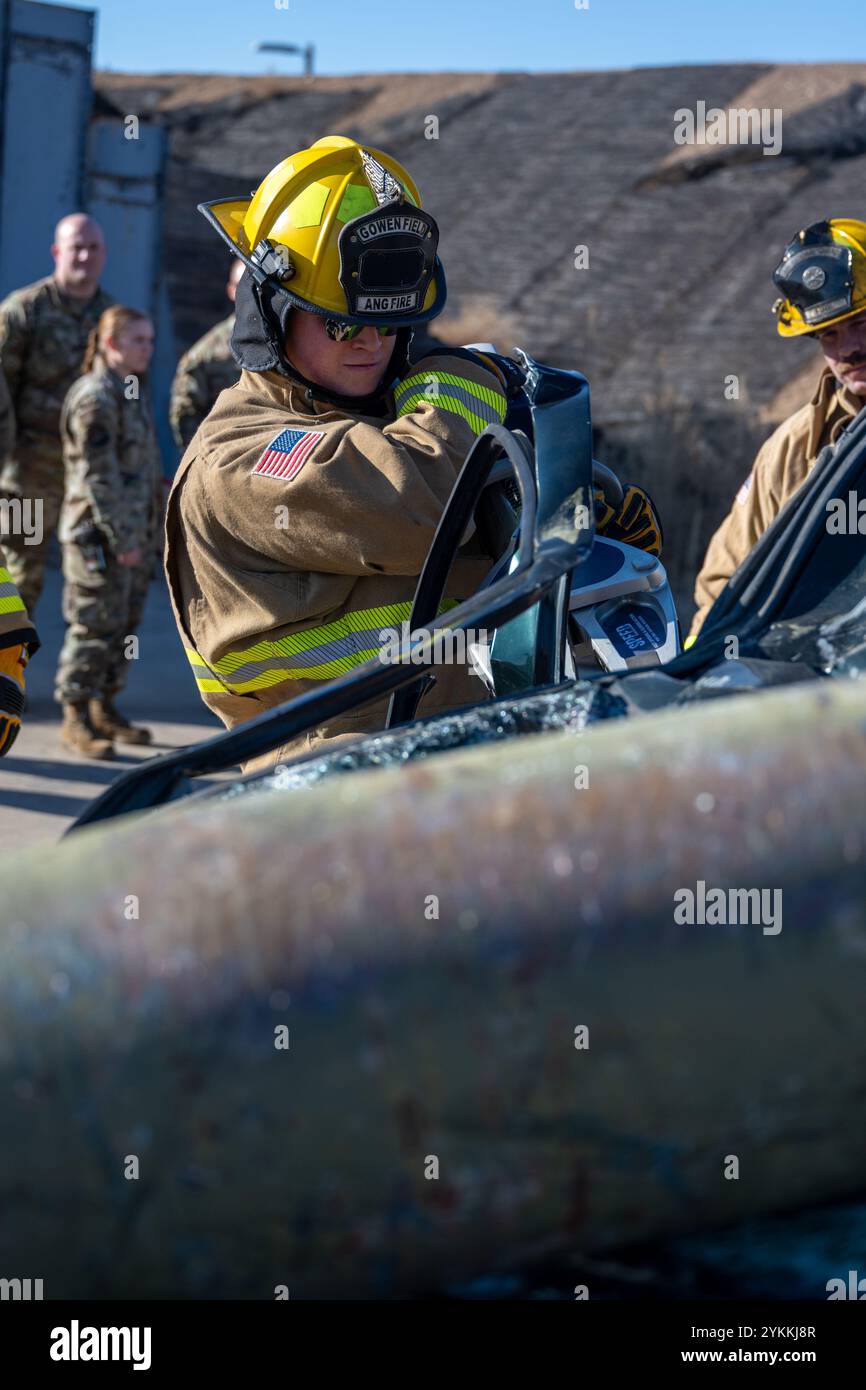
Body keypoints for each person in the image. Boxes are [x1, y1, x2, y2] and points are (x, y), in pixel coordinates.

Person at [165, 135, 661, 772]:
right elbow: (422, 507)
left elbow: (477, 573)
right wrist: (460, 379)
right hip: (338, 784)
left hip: (462, 762)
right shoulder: (238, 455)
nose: (371, 342)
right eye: (342, 322)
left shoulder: (389, 413)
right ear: (271, 309)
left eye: (390, 321)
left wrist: (582, 536)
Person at [687, 218, 866, 645]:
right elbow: (724, 588)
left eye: (861, 322)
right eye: (828, 334)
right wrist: (702, 671)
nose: (849, 348)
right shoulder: (793, 449)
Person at [55, 306, 163, 758]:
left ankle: (104, 706)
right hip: (99, 538)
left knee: (124, 624)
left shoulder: (129, 390)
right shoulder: (95, 399)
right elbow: (98, 478)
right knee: (94, 626)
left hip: (133, 534)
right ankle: (75, 715)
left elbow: (139, 464)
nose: (148, 349)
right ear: (112, 343)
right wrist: (123, 540)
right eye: (138, 340)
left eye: (150, 340)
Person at [0, 214, 114, 615]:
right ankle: (9, 653)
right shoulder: (23, 312)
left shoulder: (113, 320)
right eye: (76, 247)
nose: (84, 256)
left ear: (104, 254)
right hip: (29, 473)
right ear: (56, 252)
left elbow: (128, 397)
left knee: (92, 579)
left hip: (88, 474)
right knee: (19, 573)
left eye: (92, 248)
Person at [169, 258, 244, 450]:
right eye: (241, 285)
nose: (248, 293)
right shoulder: (204, 356)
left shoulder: (286, 343)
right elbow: (185, 416)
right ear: (231, 290)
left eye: (253, 284)